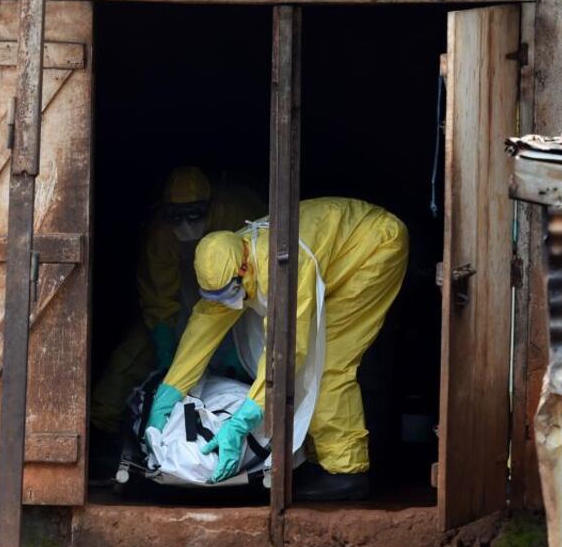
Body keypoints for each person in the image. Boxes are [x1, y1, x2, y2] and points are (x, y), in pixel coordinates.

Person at [146, 197, 408, 501]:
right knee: (310, 362)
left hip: (373, 247)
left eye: (231, 292)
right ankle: (317, 457)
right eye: (213, 295)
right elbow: (201, 332)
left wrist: (244, 419)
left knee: (327, 364)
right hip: (336, 250)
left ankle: (347, 472)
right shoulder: (226, 264)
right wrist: (169, 393)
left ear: (245, 267)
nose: (227, 301)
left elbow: (285, 350)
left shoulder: (283, 267)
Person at [89, 167, 265, 461]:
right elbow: (159, 293)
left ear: (211, 206)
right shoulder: (161, 234)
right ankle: (100, 432)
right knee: (134, 356)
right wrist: (163, 339)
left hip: (242, 294)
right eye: (176, 216)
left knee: (254, 355)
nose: (184, 223)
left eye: (194, 214)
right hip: (188, 297)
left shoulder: (238, 211)